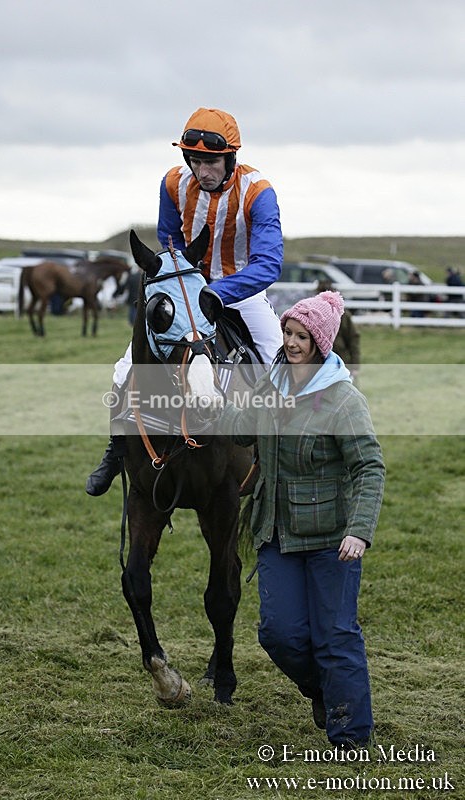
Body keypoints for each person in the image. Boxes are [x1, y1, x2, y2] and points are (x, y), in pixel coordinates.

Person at [86, 107, 284, 496]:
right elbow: (169, 241)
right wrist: (189, 289)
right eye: (194, 160)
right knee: (125, 366)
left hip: (240, 290)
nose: (201, 170)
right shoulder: (173, 182)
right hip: (188, 291)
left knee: (279, 360)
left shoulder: (259, 192)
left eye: (210, 161)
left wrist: (217, 292)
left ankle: (279, 456)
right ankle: (116, 449)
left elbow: (269, 263)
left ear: (230, 157)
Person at [219, 291, 385, 748]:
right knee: (279, 634)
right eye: (288, 333)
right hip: (275, 528)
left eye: (301, 336)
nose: (290, 343)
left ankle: (350, 736)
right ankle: (324, 691)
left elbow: (369, 467)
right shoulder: (272, 383)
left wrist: (359, 530)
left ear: (320, 343)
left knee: (335, 637)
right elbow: (240, 431)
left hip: (334, 538)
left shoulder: (342, 400)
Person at [316, 279, 360, 382]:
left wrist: (355, 365)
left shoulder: (343, 316)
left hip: (341, 361)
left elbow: (353, 339)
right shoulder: (312, 315)